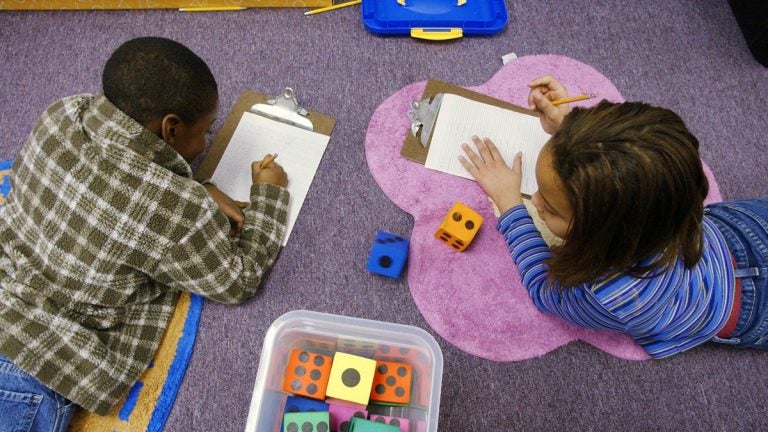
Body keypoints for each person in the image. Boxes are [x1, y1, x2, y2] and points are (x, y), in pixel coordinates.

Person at [0, 37, 289, 430]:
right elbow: (236, 281)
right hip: (33, 367)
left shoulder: (62, 111)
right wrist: (269, 193)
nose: (206, 142)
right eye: (204, 132)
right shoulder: (177, 210)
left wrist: (198, 187)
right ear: (171, 129)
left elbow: (107, 188)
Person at [459, 75, 768, 359]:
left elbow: (543, 289)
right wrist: (573, 133)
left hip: (750, 310)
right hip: (746, 227)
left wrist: (510, 203)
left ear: (606, 236)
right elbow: (632, 163)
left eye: (551, 209)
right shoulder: (667, 195)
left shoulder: (611, 295)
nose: (535, 201)